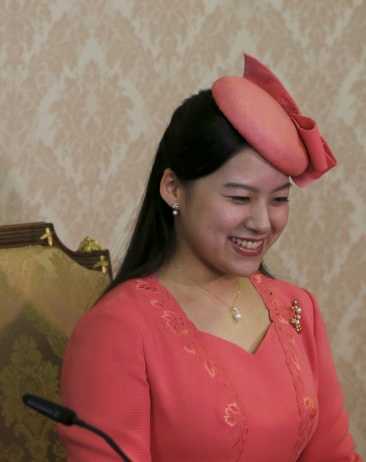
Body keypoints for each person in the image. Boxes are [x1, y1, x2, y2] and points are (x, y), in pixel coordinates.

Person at [58, 54, 361, 461]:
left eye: (279, 200)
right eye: (239, 198)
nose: (262, 222)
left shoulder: (296, 309)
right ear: (173, 188)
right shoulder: (119, 330)